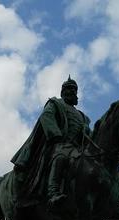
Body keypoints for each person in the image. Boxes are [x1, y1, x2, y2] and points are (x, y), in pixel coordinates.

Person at [11, 77, 91, 208]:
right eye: (69, 88)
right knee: (61, 157)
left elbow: (89, 135)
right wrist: (56, 135)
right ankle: (52, 193)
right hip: (58, 143)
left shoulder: (82, 116)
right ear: (63, 92)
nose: (72, 92)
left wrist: (87, 133)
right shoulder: (55, 103)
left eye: (74, 89)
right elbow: (46, 116)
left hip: (77, 148)